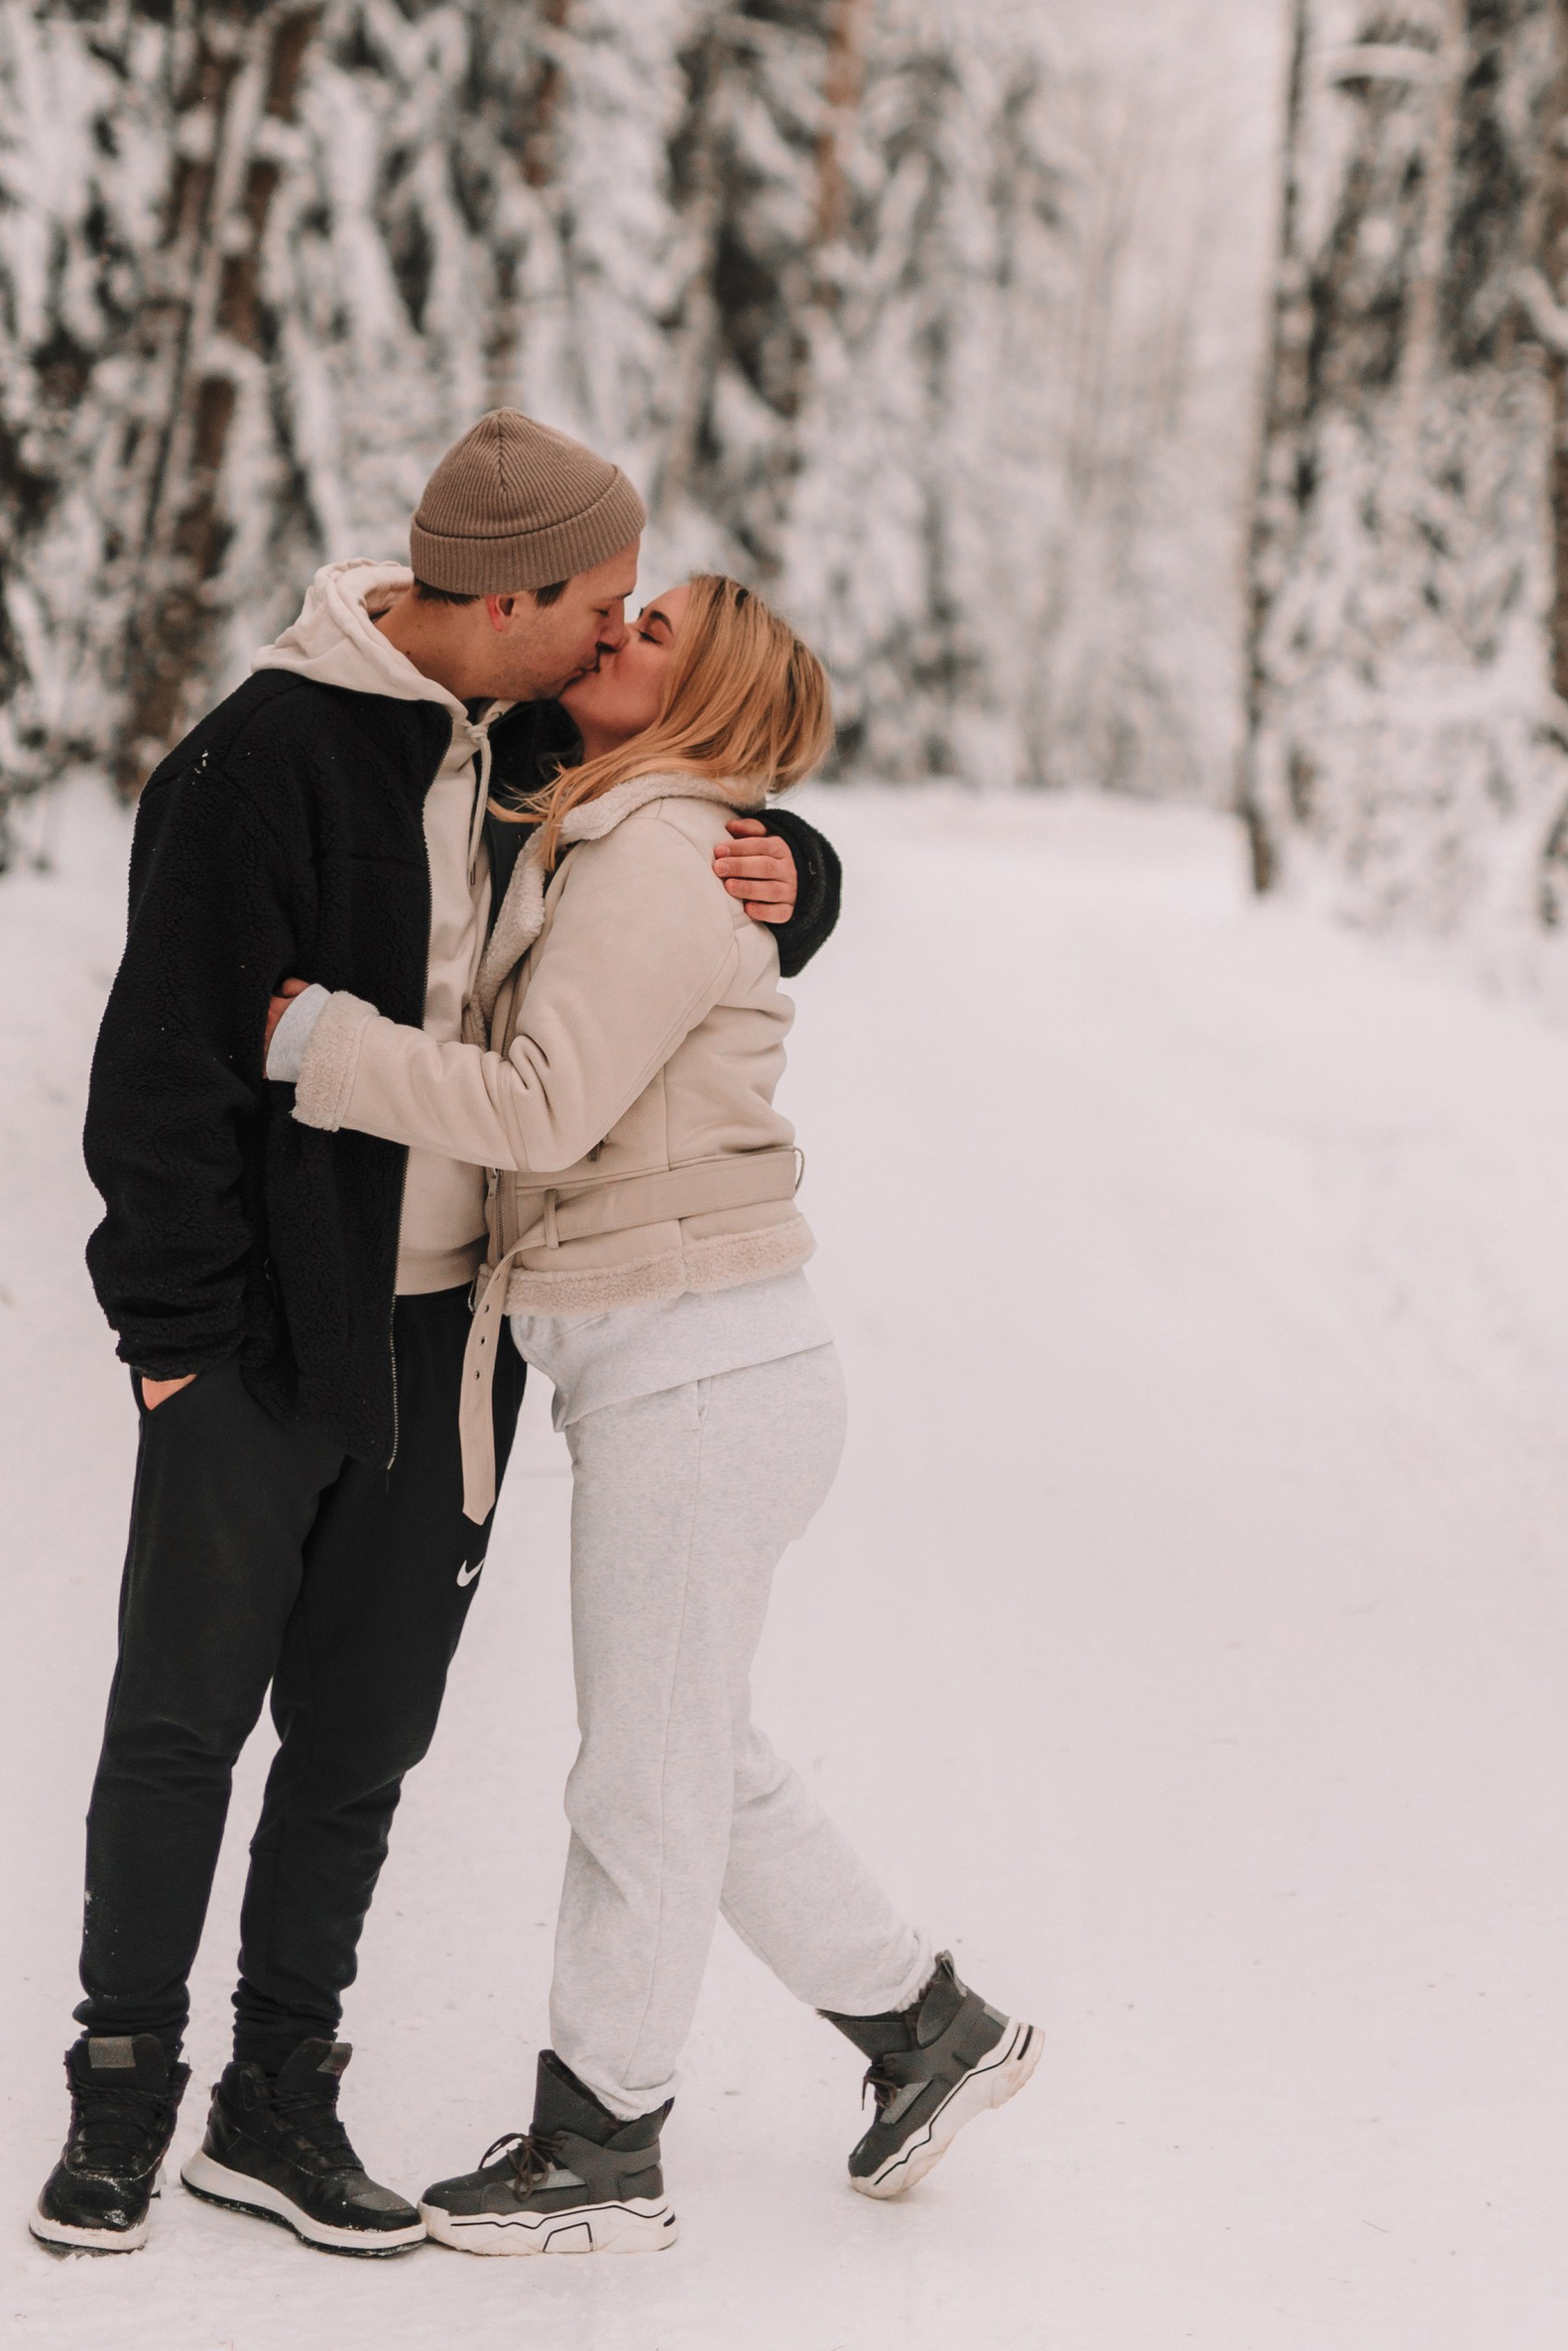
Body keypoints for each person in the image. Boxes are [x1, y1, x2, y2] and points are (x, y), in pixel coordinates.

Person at [30, 418, 846, 2260]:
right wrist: (171, 1339)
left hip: (446, 1344)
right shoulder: (257, 764)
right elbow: (161, 1069)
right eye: (603, 605)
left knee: (361, 1737)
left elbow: (701, 794)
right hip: (251, 1337)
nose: (617, 633)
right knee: (182, 1722)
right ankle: (118, 2096)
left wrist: (799, 867)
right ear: (511, 598)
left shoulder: (536, 737)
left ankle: (274, 2105)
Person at [267, 573, 1038, 2255]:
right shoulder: (616, 819)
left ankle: (601, 2139)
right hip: (683, 1363)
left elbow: (541, 1109)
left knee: (643, 1776)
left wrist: (320, 1043)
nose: (611, 633)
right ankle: (926, 2029)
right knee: (696, 1752)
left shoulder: (658, 853)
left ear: (708, 700)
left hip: (700, 1364)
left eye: (654, 632)